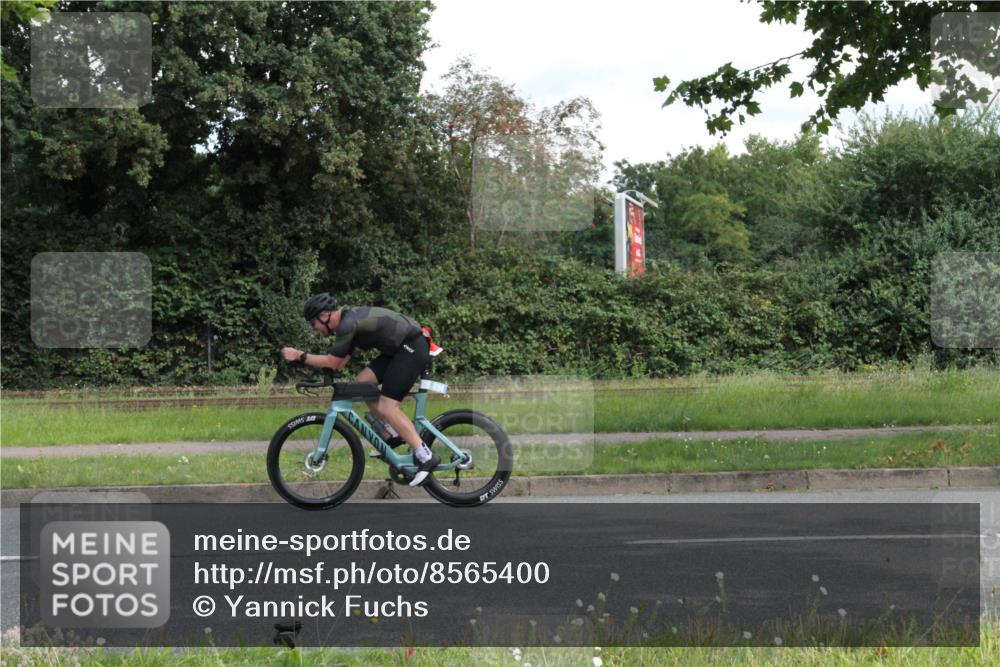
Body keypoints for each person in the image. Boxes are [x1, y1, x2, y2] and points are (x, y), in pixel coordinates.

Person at [280, 293, 441, 486]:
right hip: (398, 349)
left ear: (324, 316)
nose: (313, 329)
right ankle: (392, 435)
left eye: (312, 323)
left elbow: (332, 360)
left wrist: (299, 355)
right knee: (362, 383)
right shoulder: (346, 325)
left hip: (411, 346)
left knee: (387, 407)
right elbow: (337, 365)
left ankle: (425, 455)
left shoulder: (347, 325)